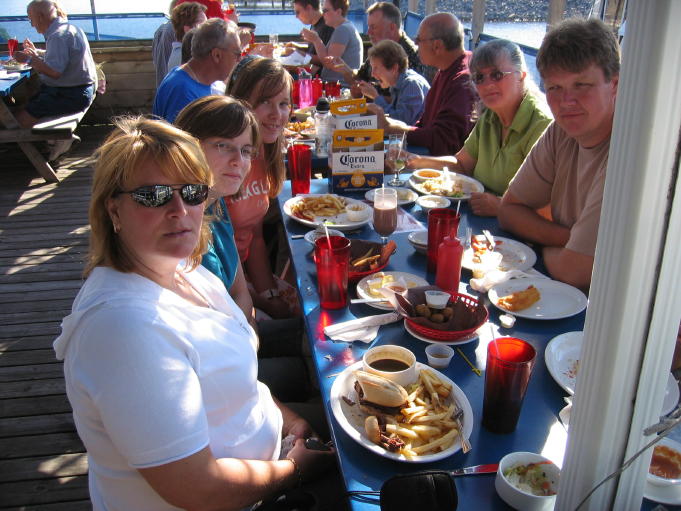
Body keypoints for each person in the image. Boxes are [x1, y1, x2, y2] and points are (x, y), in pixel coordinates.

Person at [52, 116, 335, 510]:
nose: (179, 210)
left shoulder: (185, 270)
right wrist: (297, 470)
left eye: (192, 191)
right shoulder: (124, 331)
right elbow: (199, 488)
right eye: (154, 195)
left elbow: (237, 386)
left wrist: (288, 421)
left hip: (275, 450)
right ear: (113, 209)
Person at [175, 96, 313, 402]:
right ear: (189, 147)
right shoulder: (179, 229)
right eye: (223, 145)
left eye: (246, 150)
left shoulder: (216, 202)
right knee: (304, 374)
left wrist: (249, 332)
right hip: (213, 376)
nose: (239, 161)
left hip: (238, 338)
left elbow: (239, 292)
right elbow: (208, 360)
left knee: (315, 337)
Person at [498, 19, 620, 289]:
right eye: (555, 88)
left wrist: (541, 244)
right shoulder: (561, 132)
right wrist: (569, 239)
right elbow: (509, 211)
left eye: (581, 85)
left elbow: (575, 271)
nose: (567, 102)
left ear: (615, 85)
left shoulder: (626, 152)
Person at [408, 39, 552, 217]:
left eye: (497, 75)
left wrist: (500, 207)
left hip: (519, 237)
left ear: (521, 75)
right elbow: (462, 164)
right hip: (480, 220)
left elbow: (550, 211)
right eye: (479, 78)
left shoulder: (542, 126)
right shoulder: (491, 116)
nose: (488, 84)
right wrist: (414, 161)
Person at [227, 58, 300, 320]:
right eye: (264, 102)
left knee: (305, 301)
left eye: (283, 104)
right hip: (220, 283)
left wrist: (269, 294)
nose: (276, 114)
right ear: (241, 103)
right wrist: (263, 302)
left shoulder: (264, 155)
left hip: (246, 275)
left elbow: (255, 236)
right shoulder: (226, 161)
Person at [369, 12, 476, 156]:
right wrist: (401, 128)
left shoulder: (462, 81)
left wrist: (393, 128)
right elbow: (426, 123)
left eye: (418, 39)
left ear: (437, 46)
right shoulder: (446, 69)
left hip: (442, 168)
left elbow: (443, 141)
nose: (416, 45)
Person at [13, 0, 97, 160]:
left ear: (41, 16)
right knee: (24, 109)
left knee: (18, 122)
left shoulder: (58, 36)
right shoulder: (68, 29)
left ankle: (58, 139)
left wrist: (28, 60)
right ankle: (56, 139)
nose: (31, 24)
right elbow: (62, 57)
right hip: (79, 90)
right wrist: (36, 53)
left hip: (70, 95)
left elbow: (55, 72)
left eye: (31, 19)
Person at [326, 1, 434, 95]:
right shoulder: (380, 48)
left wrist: (374, 95)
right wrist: (345, 69)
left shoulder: (410, 57)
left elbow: (402, 101)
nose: (368, 32)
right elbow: (360, 79)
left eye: (373, 27)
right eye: (368, 27)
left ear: (392, 27)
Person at [152, 17, 241, 123]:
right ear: (217, 55)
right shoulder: (184, 94)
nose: (239, 59)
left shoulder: (186, 77)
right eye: (237, 54)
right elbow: (180, 139)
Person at [152, 0, 237, 84]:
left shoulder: (177, 52)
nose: (206, 28)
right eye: (202, 24)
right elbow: (218, 80)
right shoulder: (185, 56)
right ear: (188, 29)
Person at [356, 39, 430, 126]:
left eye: (376, 68)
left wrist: (376, 97)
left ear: (394, 68)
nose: (372, 74)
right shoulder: (396, 83)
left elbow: (402, 122)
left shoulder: (411, 84)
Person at [301, 0, 362, 87]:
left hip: (338, 87)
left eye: (325, 10)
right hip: (334, 85)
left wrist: (316, 40)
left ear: (338, 12)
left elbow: (329, 63)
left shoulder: (342, 30)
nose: (323, 13)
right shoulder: (345, 27)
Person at [290, 0, 334, 70]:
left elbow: (326, 60)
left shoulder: (328, 26)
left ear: (309, 8)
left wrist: (298, 53)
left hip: (320, 77)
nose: (296, 16)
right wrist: (297, 46)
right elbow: (314, 50)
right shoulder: (315, 24)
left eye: (298, 12)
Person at [166, 2, 207, 73]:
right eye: (202, 24)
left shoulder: (180, 53)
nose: (208, 28)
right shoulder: (183, 57)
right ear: (188, 29)